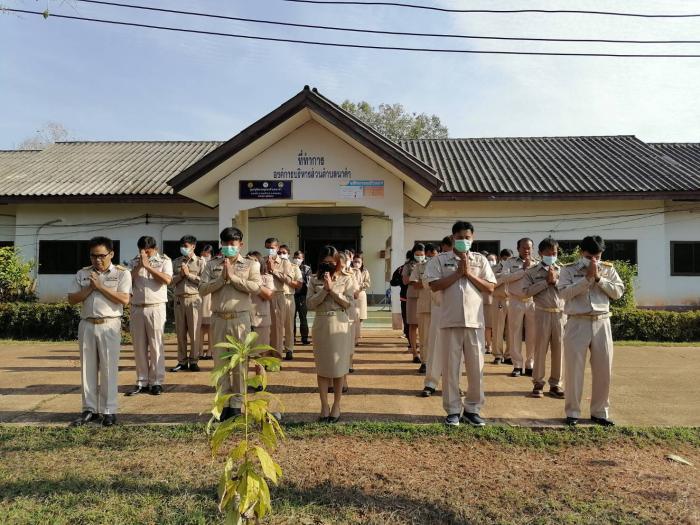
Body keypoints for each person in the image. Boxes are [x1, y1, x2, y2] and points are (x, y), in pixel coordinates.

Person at [426, 221, 496, 427]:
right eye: (459, 238)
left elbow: (490, 287)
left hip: (475, 322)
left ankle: (472, 409)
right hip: (450, 321)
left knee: (476, 369)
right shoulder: (440, 260)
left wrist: (468, 273)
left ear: (473, 238)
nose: (464, 241)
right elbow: (434, 285)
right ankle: (453, 410)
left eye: (467, 237)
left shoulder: (480, 260)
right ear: (453, 238)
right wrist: (457, 273)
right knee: (450, 369)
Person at [558, 235, 624, 427]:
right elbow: (563, 293)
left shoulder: (608, 269)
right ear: (581, 253)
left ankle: (599, 412)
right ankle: (572, 412)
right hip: (577, 321)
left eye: (597, 256)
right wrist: (587, 279)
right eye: (589, 256)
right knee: (574, 370)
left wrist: (599, 278)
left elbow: (618, 292)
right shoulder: (569, 269)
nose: (594, 260)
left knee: (604, 369)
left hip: (602, 322)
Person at [68, 236, 131, 427]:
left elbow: (124, 299)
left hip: (109, 324)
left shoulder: (121, 274)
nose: (97, 260)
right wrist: (90, 288)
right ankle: (89, 409)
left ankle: (109, 410)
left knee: (109, 368)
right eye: (93, 256)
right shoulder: (83, 273)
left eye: (102, 255)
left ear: (111, 254)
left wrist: (101, 287)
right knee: (87, 368)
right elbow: (72, 299)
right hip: (87, 324)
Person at [199, 227, 261, 421]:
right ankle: (224, 404)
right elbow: (202, 289)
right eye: (225, 243)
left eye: (232, 244)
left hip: (239, 319)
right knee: (220, 363)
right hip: (218, 318)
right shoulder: (212, 265)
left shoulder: (251, 264)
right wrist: (221, 279)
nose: (228, 247)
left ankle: (236, 405)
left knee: (240, 364)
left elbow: (256, 287)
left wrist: (233, 278)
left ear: (240, 244)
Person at [307, 245, 355, 423]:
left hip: (339, 324)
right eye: (325, 262)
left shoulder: (346, 278)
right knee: (322, 367)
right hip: (321, 323)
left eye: (332, 262)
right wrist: (324, 290)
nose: (328, 265)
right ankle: (324, 405)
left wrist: (333, 289)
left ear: (338, 263)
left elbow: (348, 303)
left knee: (338, 367)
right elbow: (310, 304)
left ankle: (336, 405)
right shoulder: (313, 280)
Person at [125, 236, 173, 397]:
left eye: (148, 251)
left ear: (155, 249)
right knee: (139, 346)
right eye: (142, 251)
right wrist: (140, 266)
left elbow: (167, 280)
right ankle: (142, 381)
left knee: (156, 345)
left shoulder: (164, 261)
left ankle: (156, 381)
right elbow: (126, 281)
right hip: (137, 307)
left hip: (156, 307)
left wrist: (148, 267)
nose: (144, 254)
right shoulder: (133, 262)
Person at [524, 238, 565, 399]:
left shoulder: (564, 270)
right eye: (548, 253)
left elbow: (570, 289)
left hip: (560, 314)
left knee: (559, 349)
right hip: (541, 313)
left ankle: (556, 384)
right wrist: (545, 283)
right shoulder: (532, 272)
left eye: (554, 253)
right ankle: (538, 382)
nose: (552, 256)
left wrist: (555, 281)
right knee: (540, 349)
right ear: (541, 253)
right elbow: (526, 292)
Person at [501, 238, 539, 377]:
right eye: (524, 248)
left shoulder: (537, 263)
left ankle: (530, 364)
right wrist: (523, 270)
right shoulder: (510, 262)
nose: (526, 250)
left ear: (533, 249)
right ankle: (517, 364)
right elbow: (504, 278)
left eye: (529, 248)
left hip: (532, 301)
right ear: (518, 249)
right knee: (514, 333)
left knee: (533, 334)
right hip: (515, 300)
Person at [170, 235, 205, 373]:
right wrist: (180, 275)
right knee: (180, 332)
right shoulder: (176, 262)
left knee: (194, 332)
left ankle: (194, 360)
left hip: (194, 299)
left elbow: (204, 281)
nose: (183, 248)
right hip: (179, 299)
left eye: (186, 246)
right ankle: (182, 361)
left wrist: (189, 275)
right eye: (182, 246)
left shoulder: (201, 262)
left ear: (193, 246)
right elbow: (170, 281)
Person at [264, 238, 302, 361]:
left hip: (286, 297)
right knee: (268, 327)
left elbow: (294, 282)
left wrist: (273, 270)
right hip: (266, 297)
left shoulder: (289, 265)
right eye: (267, 248)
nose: (270, 250)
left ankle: (288, 349)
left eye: (272, 248)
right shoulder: (262, 261)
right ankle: (267, 354)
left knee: (286, 325)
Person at [421, 242, 448, 397]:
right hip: (440, 307)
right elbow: (428, 283)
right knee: (435, 346)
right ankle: (431, 383)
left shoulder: (471, 261)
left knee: (458, 351)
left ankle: (455, 384)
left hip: (461, 311)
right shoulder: (435, 262)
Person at [410, 243, 433, 374]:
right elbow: (414, 284)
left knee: (440, 336)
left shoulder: (442, 266)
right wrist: (430, 283)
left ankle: (439, 362)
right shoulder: (419, 267)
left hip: (441, 306)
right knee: (424, 335)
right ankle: (425, 362)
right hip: (424, 306)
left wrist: (424, 283)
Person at [490, 248, 513, 365]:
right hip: (499, 299)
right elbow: (491, 284)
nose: (507, 261)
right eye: (504, 259)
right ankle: (498, 354)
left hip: (512, 300)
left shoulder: (514, 268)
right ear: (500, 258)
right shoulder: (494, 269)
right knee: (498, 328)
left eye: (509, 259)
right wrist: (503, 277)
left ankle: (509, 355)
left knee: (511, 330)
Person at [402, 244, 424, 363]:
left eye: (422, 254)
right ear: (413, 253)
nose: (420, 256)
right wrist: (417, 280)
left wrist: (417, 281)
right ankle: (415, 352)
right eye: (417, 254)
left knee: (424, 325)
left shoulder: (429, 264)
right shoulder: (408, 265)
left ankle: (424, 352)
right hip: (412, 296)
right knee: (413, 325)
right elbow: (405, 281)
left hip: (425, 296)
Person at [293, 250, 312, 345]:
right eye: (295, 258)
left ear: (303, 259)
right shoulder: (289, 267)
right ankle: (292, 337)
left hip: (302, 296)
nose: (297, 260)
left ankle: (304, 337)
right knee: (291, 318)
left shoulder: (307, 269)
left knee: (303, 317)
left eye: (299, 258)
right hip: (291, 295)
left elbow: (308, 282)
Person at [199, 244, 214, 360]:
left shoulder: (214, 263)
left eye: (208, 252)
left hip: (210, 295)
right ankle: (199, 350)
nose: (206, 254)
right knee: (200, 326)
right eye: (204, 252)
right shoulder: (198, 262)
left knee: (210, 326)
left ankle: (210, 350)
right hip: (199, 295)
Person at [352, 252, 370, 346]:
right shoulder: (349, 270)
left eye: (358, 261)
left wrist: (360, 286)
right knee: (353, 316)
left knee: (361, 317)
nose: (356, 263)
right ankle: (353, 336)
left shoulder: (365, 271)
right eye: (355, 261)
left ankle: (358, 334)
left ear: (362, 262)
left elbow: (368, 283)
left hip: (361, 294)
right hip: (351, 294)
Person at [481, 250, 494, 354]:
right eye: (489, 259)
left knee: (492, 326)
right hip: (484, 301)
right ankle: (488, 345)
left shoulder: (498, 270)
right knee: (487, 325)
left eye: (493, 259)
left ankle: (489, 344)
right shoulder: (481, 271)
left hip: (496, 301)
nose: (491, 261)